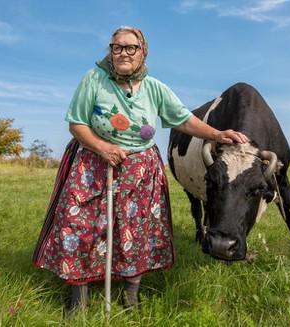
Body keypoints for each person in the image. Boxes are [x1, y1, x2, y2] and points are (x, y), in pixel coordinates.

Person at [32, 26, 248, 312]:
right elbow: (76, 123)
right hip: (92, 164)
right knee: (81, 227)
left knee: (135, 232)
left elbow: (183, 120)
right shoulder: (94, 79)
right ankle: (78, 299)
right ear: (110, 51)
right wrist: (103, 147)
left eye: (130, 47)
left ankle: (130, 297)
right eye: (117, 47)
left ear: (142, 52)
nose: (123, 53)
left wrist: (217, 134)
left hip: (140, 169)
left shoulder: (154, 87)